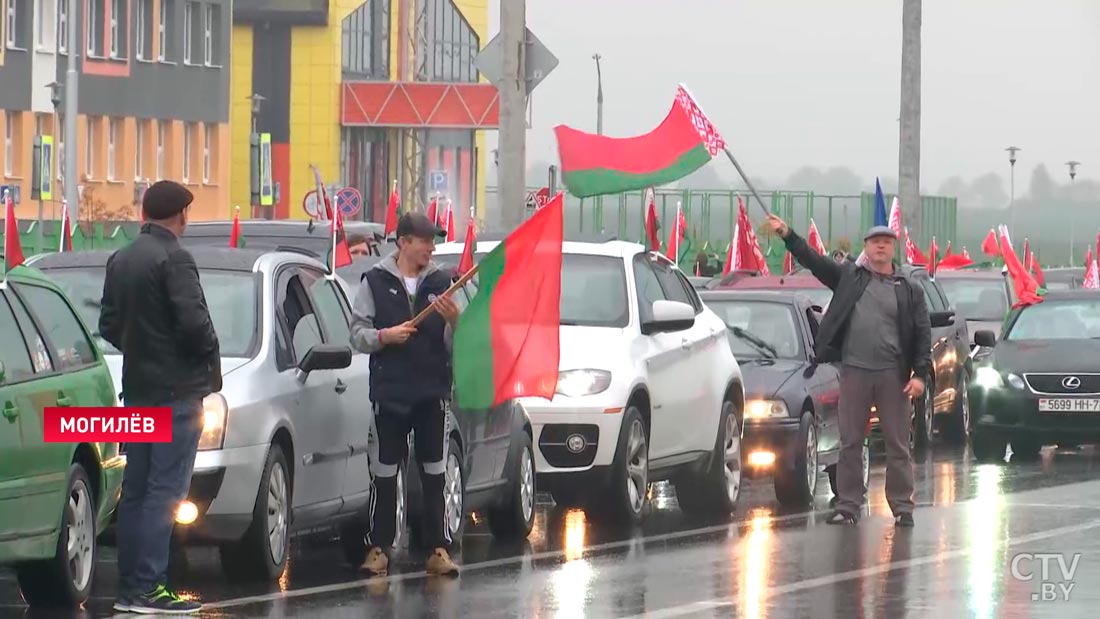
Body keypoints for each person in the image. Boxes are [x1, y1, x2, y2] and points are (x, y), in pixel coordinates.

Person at [99, 180, 220, 614]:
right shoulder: (175, 258)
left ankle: (131, 588)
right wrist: (205, 349)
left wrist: (144, 347)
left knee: (135, 491)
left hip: (138, 392)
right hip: (177, 393)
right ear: (181, 214)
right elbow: (194, 326)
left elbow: (108, 325)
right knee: (165, 492)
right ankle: (150, 589)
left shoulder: (123, 258)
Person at [767, 215, 930, 527]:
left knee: (898, 444)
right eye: (874, 242)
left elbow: (922, 333)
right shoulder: (849, 278)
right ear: (866, 247)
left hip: (893, 376)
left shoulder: (909, 289)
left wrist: (919, 375)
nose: (880, 246)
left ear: (893, 248)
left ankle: (902, 507)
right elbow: (813, 260)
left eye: (886, 242)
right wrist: (788, 235)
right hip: (854, 371)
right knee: (851, 442)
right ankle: (848, 506)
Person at [349, 212, 462, 577]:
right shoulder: (376, 281)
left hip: (432, 394)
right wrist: (385, 337)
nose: (431, 247)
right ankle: (378, 548)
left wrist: (454, 323)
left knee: (435, 473)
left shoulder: (443, 283)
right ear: (403, 243)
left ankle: (438, 549)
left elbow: (456, 344)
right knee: (383, 473)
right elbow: (357, 333)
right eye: (424, 240)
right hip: (390, 393)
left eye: (434, 241)